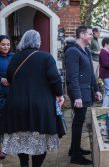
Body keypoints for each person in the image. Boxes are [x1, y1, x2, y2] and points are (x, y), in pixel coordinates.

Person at [1, 30, 64, 167]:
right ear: (38, 42)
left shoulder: (15, 57)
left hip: (16, 104)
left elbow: (10, 77)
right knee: (39, 139)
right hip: (40, 105)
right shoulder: (46, 57)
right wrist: (60, 95)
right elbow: (55, 79)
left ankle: (24, 164)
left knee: (20, 136)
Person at [64, 25, 102, 165]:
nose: (92, 36)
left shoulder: (86, 50)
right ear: (81, 35)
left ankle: (74, 148)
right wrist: (77, 96)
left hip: (86, 91)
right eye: (90, 34)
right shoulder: (73, 51)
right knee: (78, 122)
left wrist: (96, 89)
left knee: (78, 122)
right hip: (79, 93)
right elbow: (72, 77)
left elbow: (91, 73)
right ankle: (75, 155)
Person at [0, 35, 14, 160]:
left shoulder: (14, 57)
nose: (6, 47)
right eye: (3, 44)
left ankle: (6, 147)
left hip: (11, 94)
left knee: (7, 121)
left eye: (8, 44)